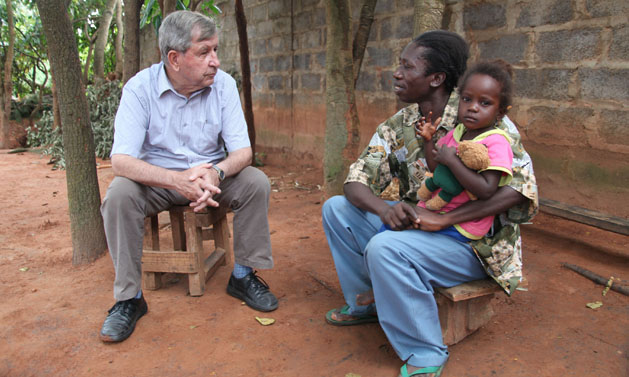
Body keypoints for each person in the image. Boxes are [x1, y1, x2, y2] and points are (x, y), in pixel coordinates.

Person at [321, 31, 538, 377]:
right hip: (422, 227)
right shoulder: (402, 123)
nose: (397, 73)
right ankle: (369, 301)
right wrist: (384, 209)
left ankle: (425, 352)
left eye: (407, 66)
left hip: (474, 245)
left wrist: (444, 221)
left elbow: (520, 190)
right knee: (336, 209)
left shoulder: (483, 114)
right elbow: (355, 180)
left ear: (436, 78)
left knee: (385, 248)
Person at [99, 10, 278, 344]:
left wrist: (216, 171)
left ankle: (243, 275)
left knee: (255, 182)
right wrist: (175, 179)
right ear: (174, 58)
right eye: (204, 52)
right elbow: (120, 160)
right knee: (119, 195)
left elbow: (243, 151)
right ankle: (129, 298)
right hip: (157, 181)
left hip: (210, 177)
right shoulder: (139, 89)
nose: (215, 61)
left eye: (215, 50)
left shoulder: (223, 85)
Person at [415, 60, 515, 243]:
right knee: (389, 228)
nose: (473, 107)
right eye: (467, 99)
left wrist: (453, 161)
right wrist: (428, 141)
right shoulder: (457, 133)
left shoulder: (497, 142)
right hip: (435, 211)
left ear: (500, 113)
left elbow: (486, 190)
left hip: (463, 225)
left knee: (394, 243)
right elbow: (435, 168)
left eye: (484, 103)